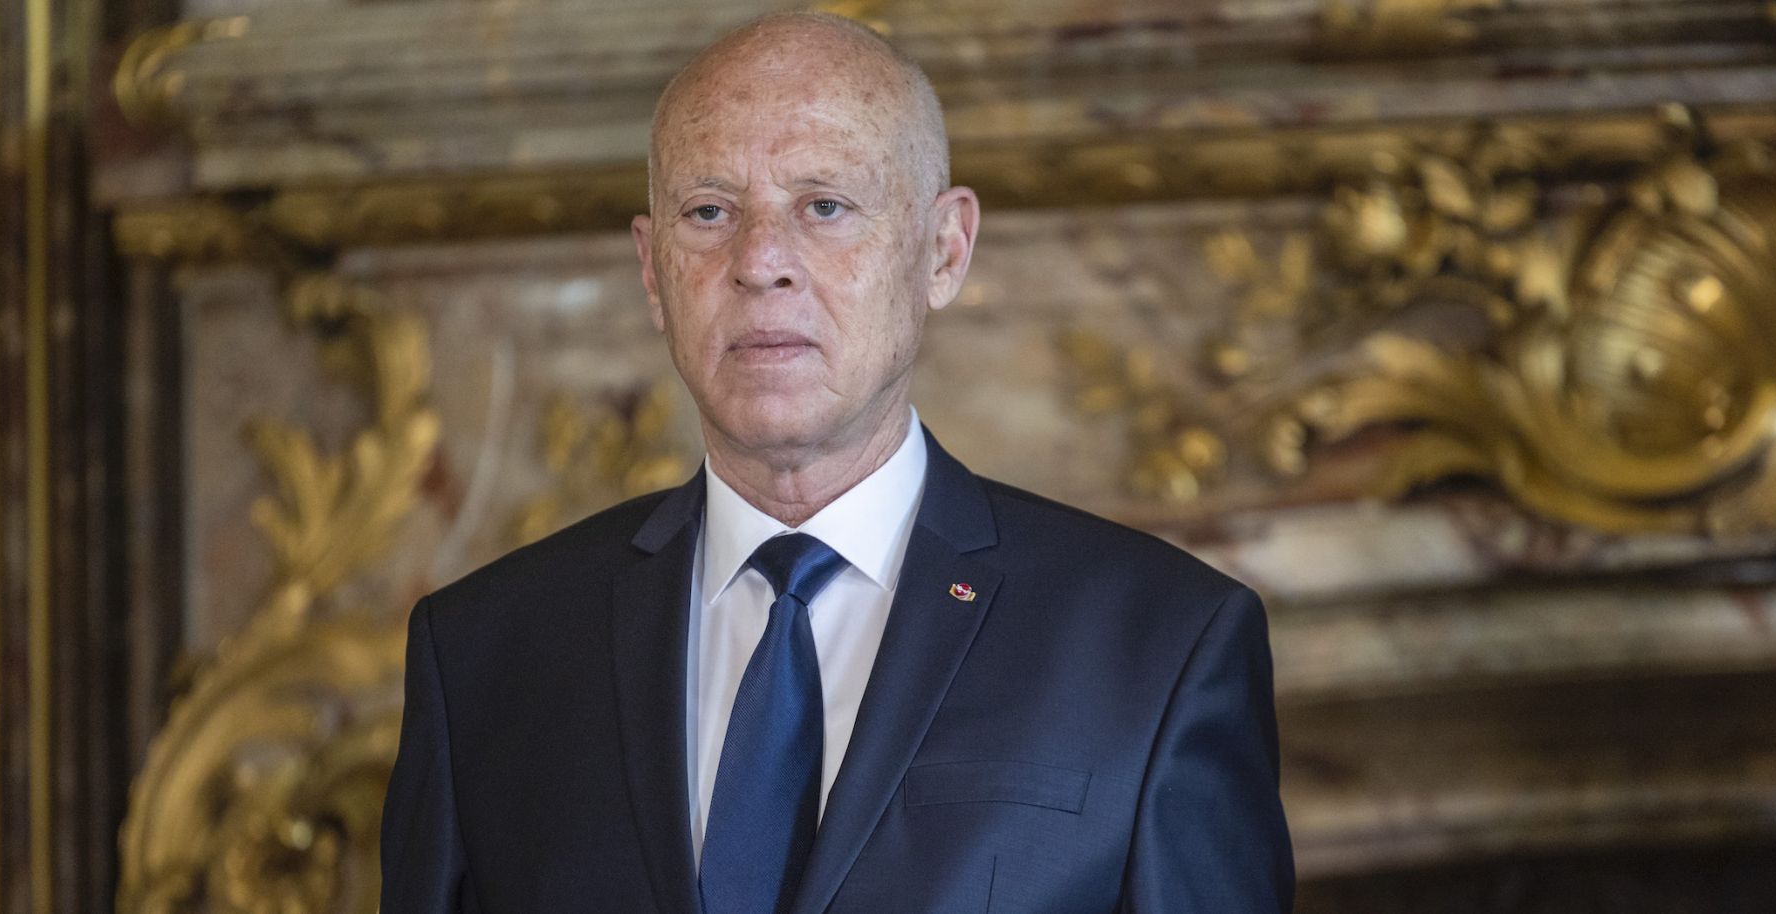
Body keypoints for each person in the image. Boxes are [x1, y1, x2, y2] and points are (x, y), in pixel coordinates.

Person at [380, 12, 1292, 914]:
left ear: (945, 249)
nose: (762, 261)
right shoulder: (482, 654)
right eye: (708, 211)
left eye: (825, 205)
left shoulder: (1161, 645)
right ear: (654, 270)